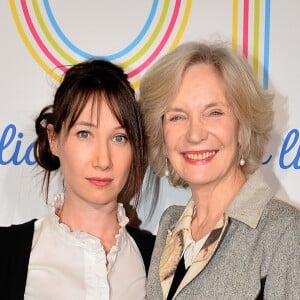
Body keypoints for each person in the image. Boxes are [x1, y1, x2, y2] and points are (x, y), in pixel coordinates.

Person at [139, 41, 300, 299]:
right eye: (178, 116)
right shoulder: (171, 225)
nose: (194, 134)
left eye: (214, 113)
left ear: (242, 126)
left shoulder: (285, 232)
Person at [0, 59, 155, 300]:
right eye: (85, 134)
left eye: (119, 138)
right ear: (54, 139)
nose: (103, 161)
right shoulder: (8, 253)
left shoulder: (159, 260)